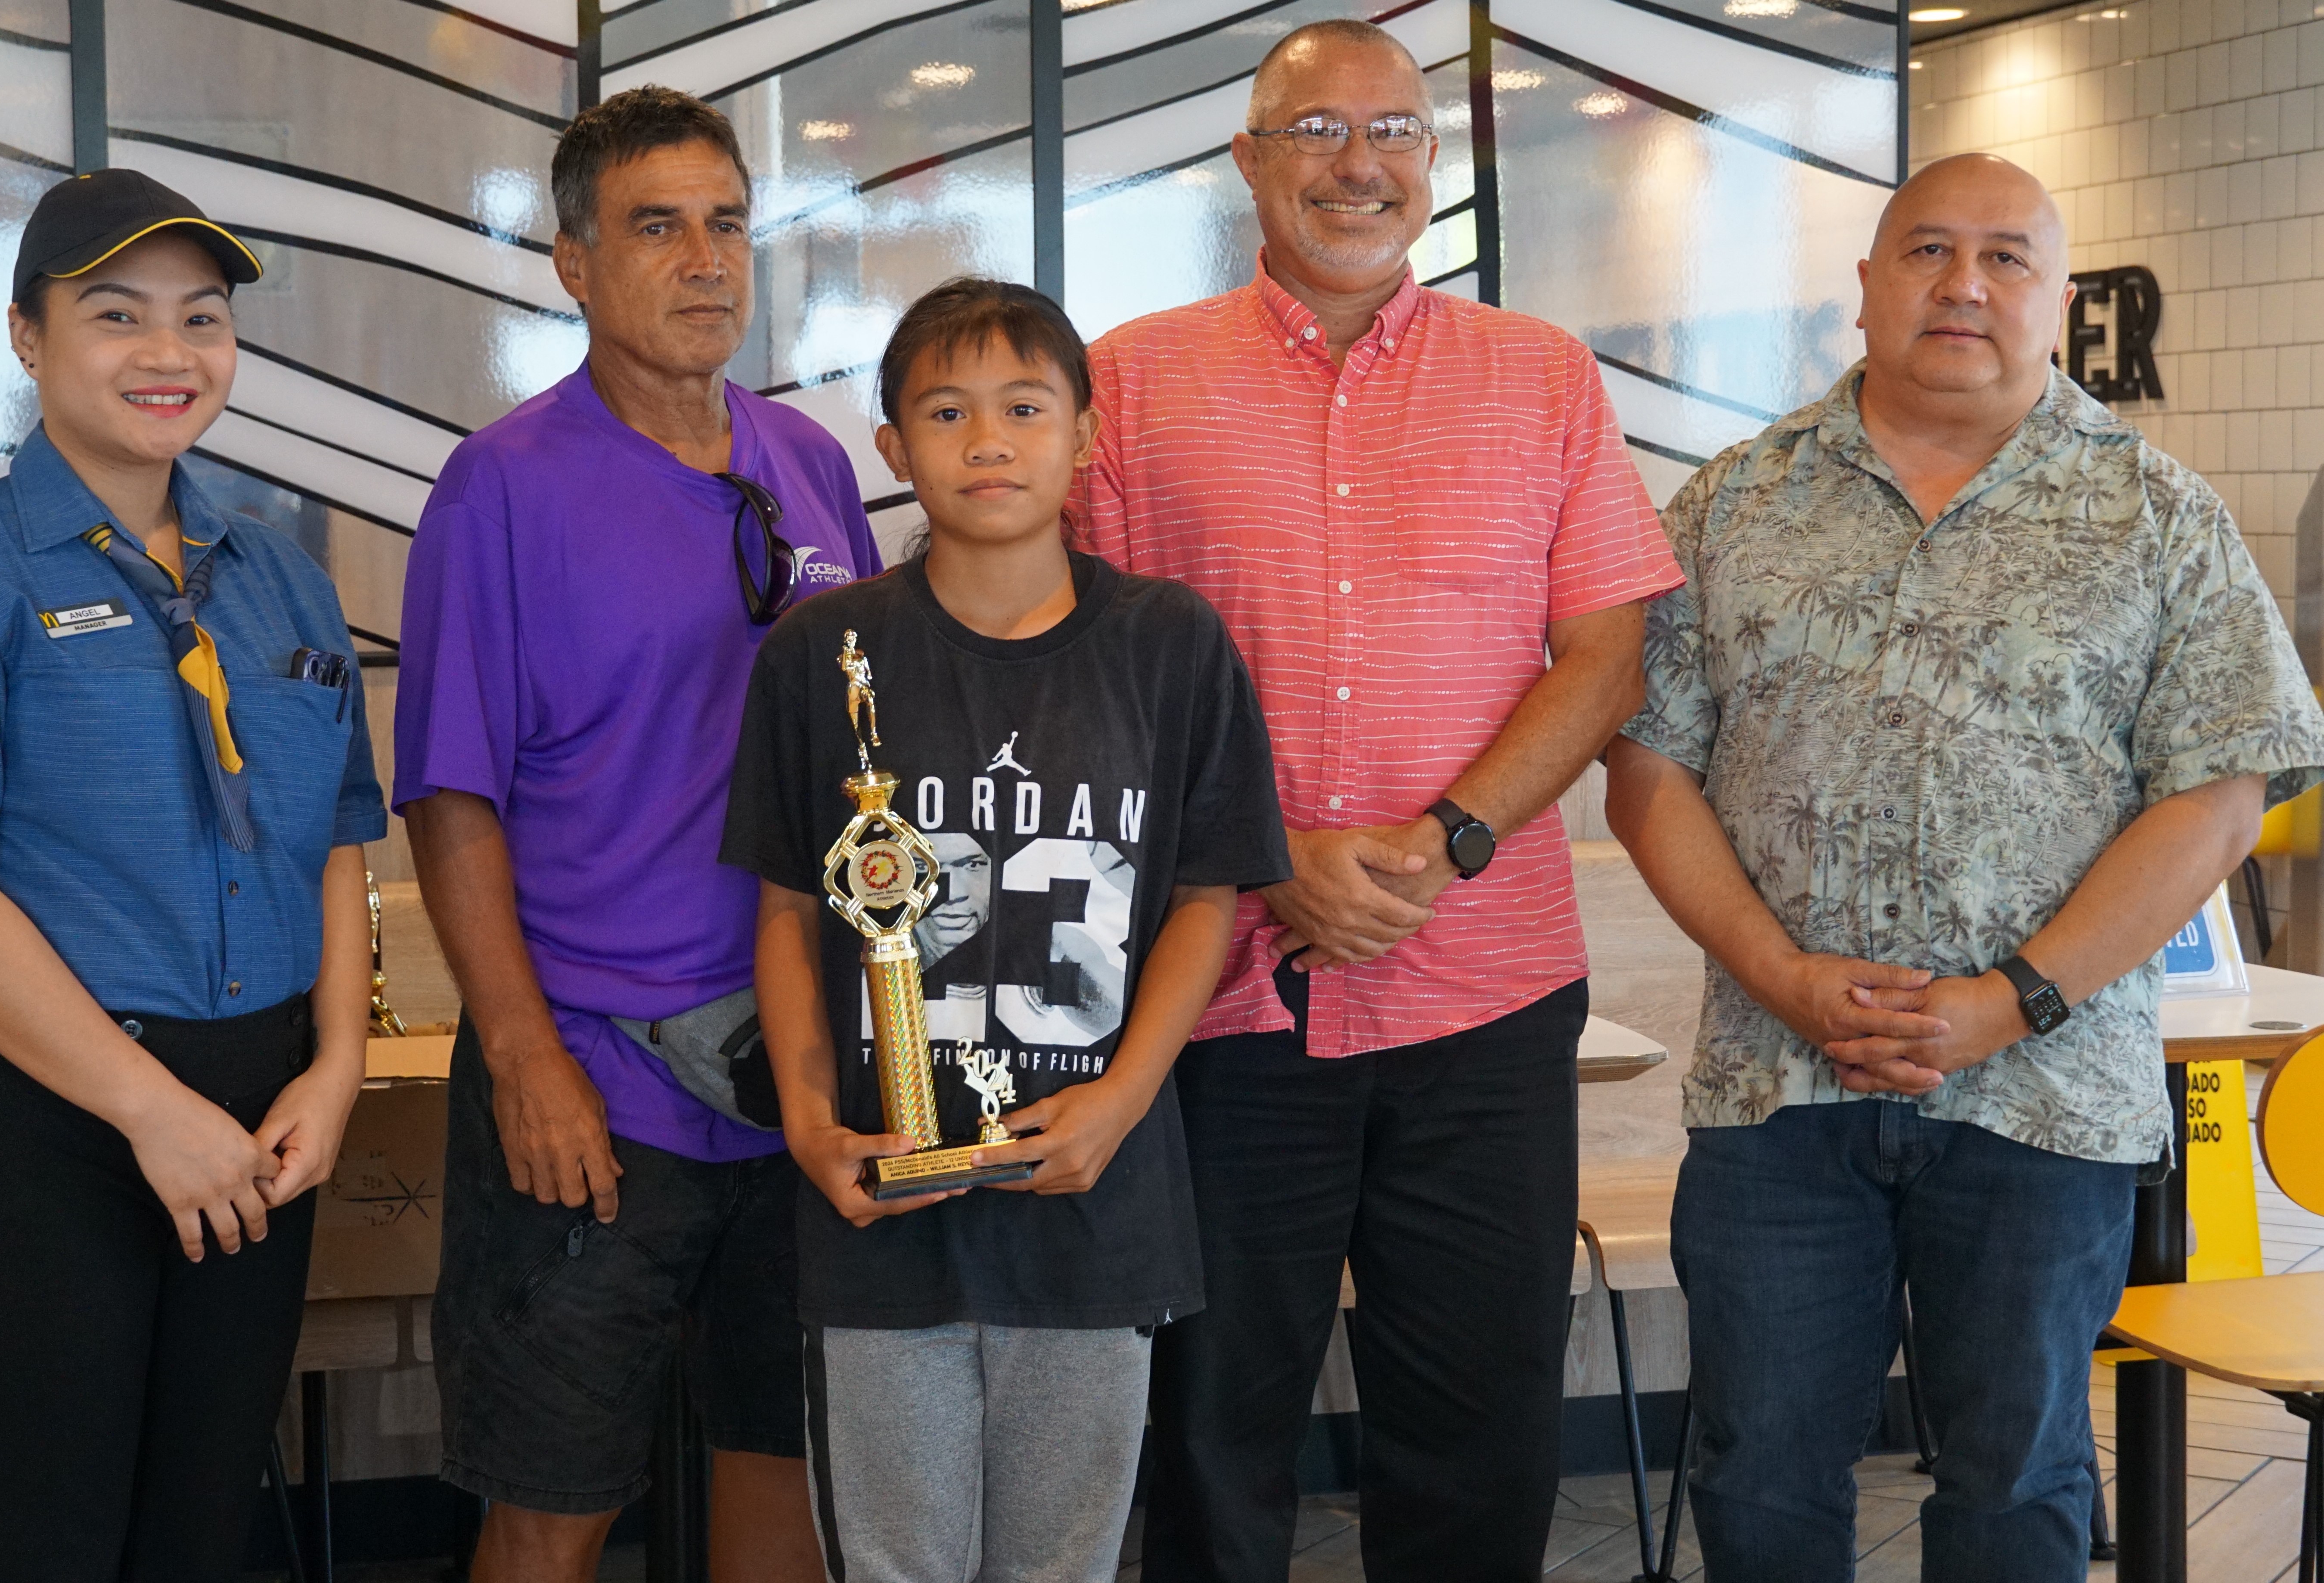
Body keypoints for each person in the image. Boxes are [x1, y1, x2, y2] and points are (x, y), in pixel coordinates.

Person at [1606, 152, 2324, 1581]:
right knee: (1759, 1471)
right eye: (1927, 249)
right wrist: (1788, 978)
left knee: (2019, 1479)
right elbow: (1646, 770)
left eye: (2007, 257)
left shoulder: (2159, 516)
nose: (1965, 283)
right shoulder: (1731, 506)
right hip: (1776, 1086)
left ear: (2058, 301)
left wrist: (2014, 998)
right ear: (1865, 289)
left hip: (2047, 1100)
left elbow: (2220, 798)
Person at [1072, 20, 1684, 1580]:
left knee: (1479, 1435)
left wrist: (1452, 836)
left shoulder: (1539, 375)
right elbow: (1088, 677)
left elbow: (1607, 654)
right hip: (1219, 1007)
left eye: (1397, 134)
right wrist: (1266, 863)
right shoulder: (1131, 384)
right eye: (1318, 133)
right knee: (1212, 1429)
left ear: (1433, 164)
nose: (1361, 165)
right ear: (1251, 162)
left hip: (1485, 997)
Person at [0, 169, 385, 1581]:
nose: (170, 353)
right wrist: (155, 1111)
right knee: (60, 1540)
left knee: (203, 1530)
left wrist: (333, 1067)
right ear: (28, 336)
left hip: (264, 1116)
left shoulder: (280, 575)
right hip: (62, 1122)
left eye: (201, 319)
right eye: (116, 314)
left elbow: (336, 834)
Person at [721, 278, 1292, 1583]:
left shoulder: (1170, 644)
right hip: (881, 1216)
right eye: (947, 410)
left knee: (1061, 1566)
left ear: (1086, 435)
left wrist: (1121, 1104)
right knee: (899, 1563)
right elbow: (792, 905)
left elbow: (1208, 895)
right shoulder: (825, 653)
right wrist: (811, 1119)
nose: (988, 441)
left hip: (1094, 1210)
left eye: (1025, 407)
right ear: (894, 450)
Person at [394, 87, 875, 1583]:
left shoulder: (812, 465)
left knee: (783, 1468)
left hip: (799, 1071)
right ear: (577, 265)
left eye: (727, 224)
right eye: (656, 227)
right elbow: (451, 797)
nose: (705, 260)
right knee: (553, 1504)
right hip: (596, 1081)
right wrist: (526, 1056)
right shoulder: (502, 488)